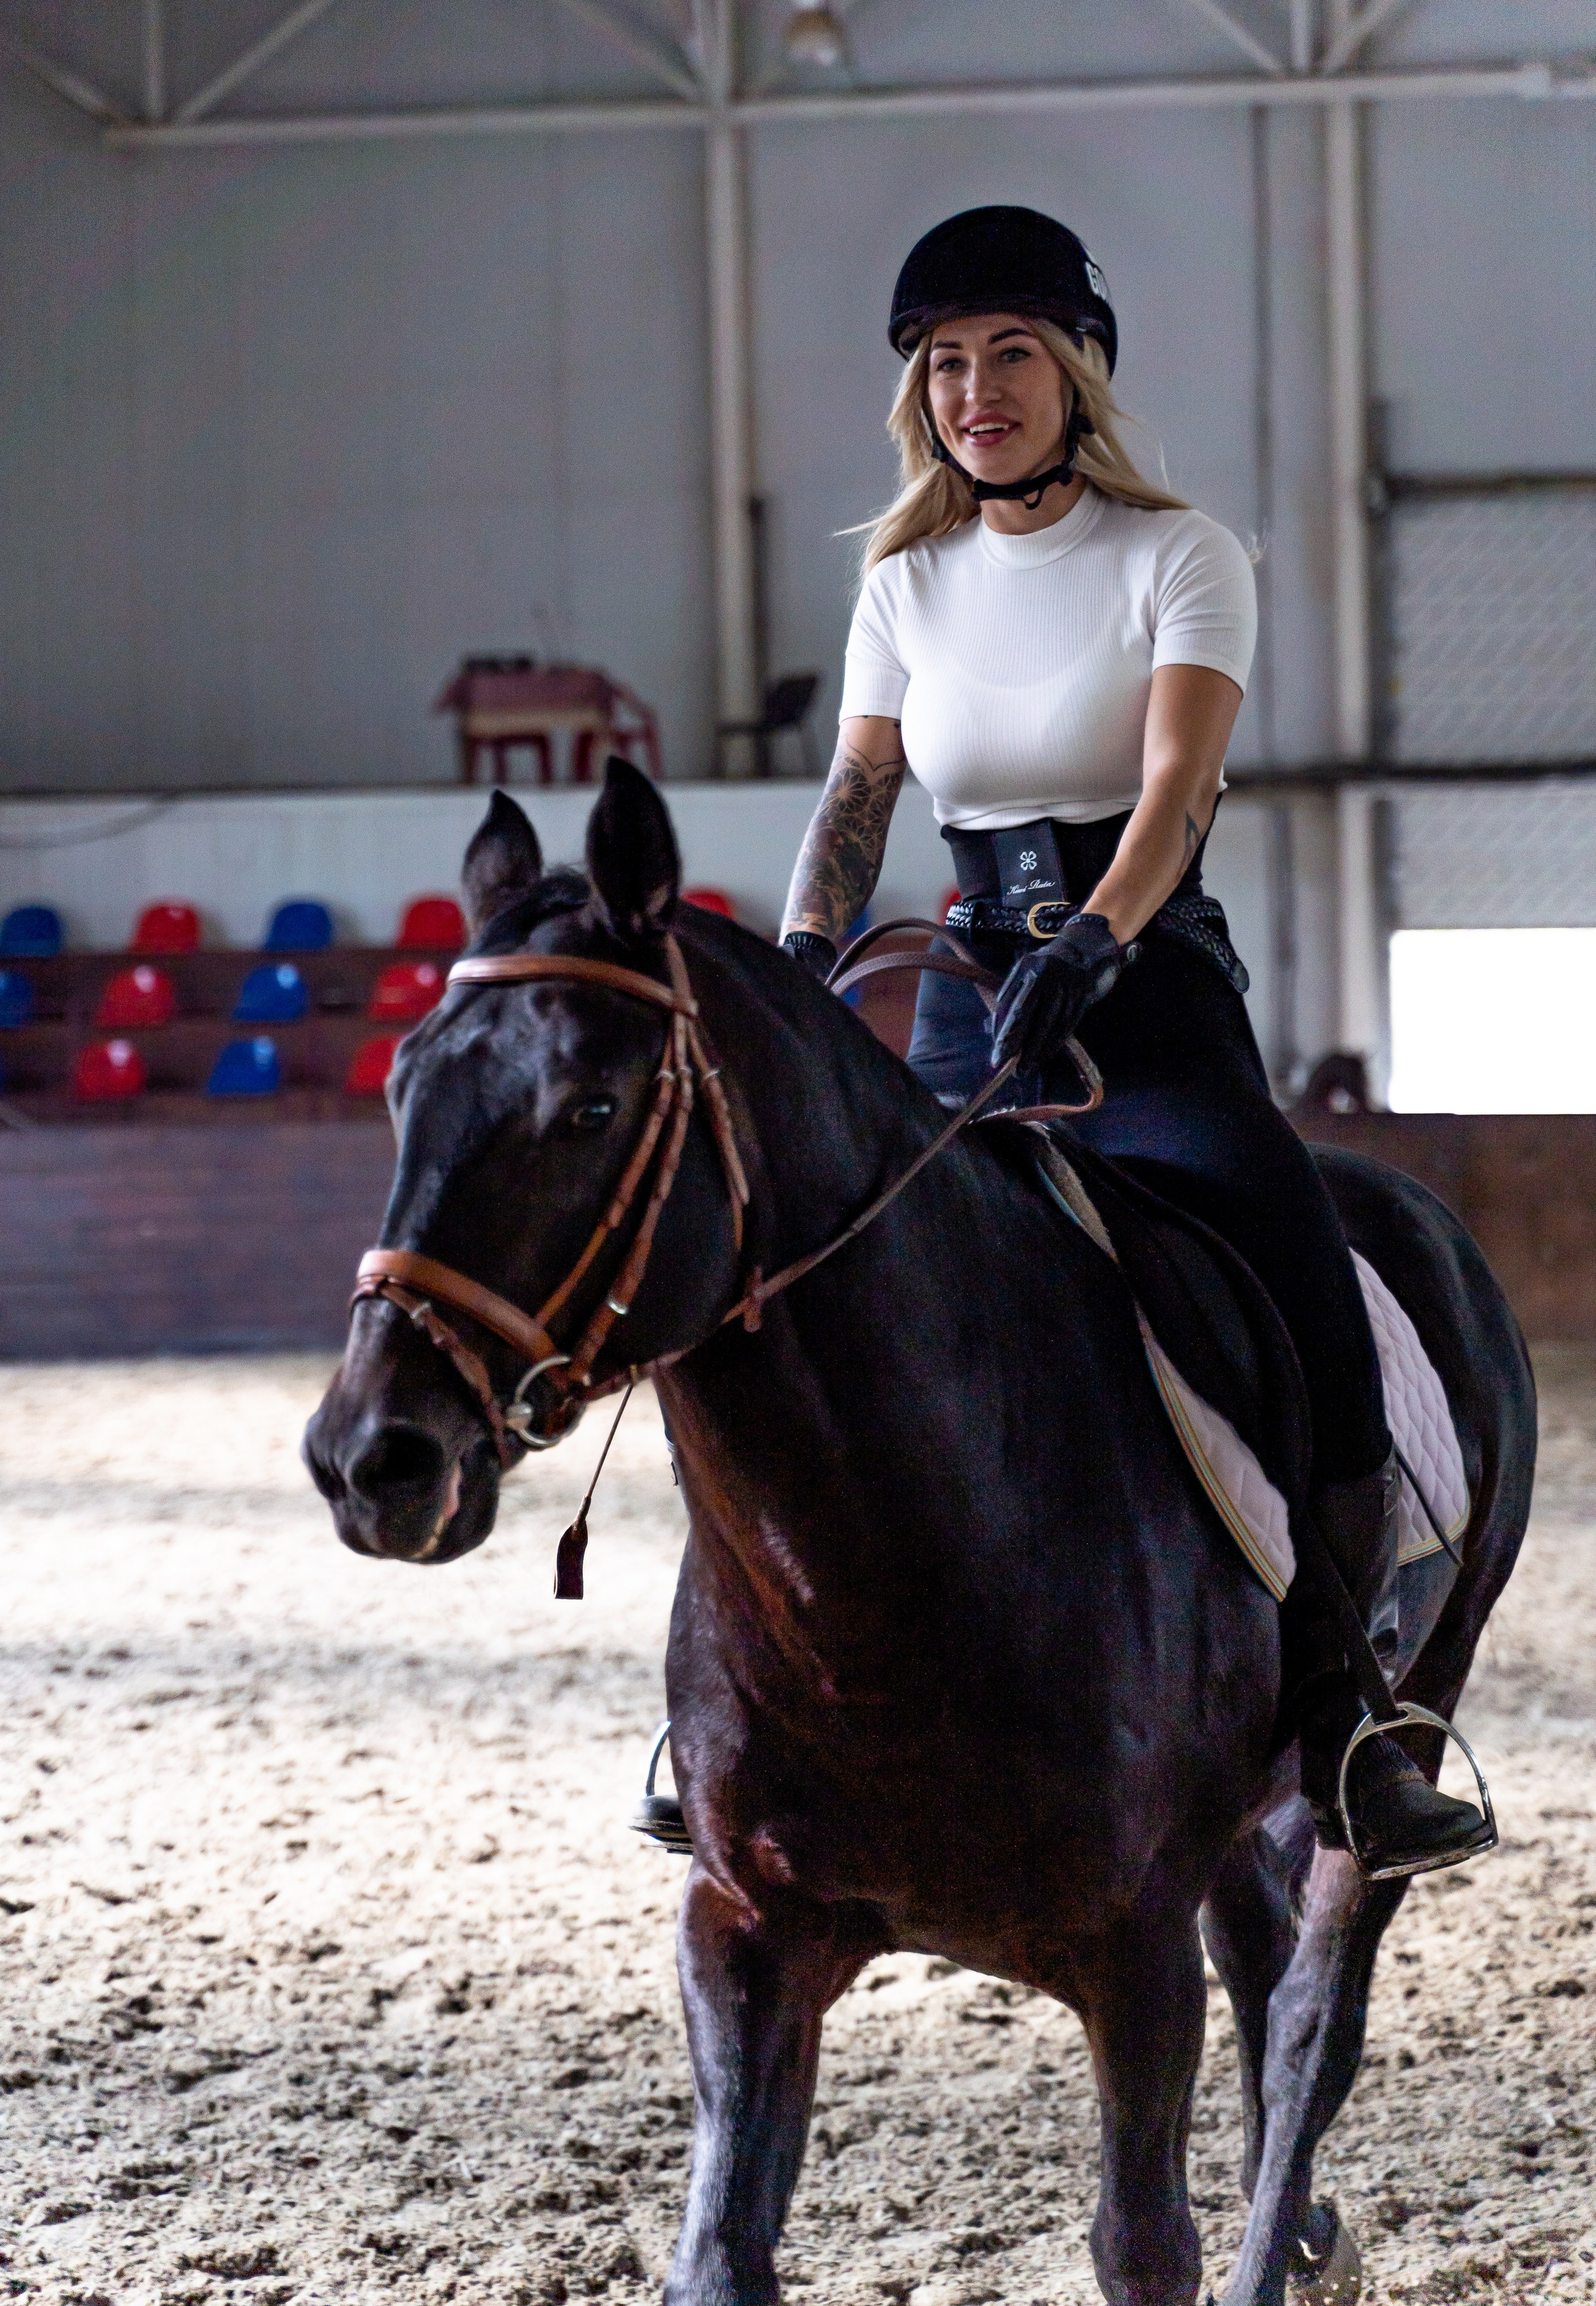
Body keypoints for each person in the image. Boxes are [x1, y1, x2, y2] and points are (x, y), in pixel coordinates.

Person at [779, 203, 1489, 1875]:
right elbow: (859, 795)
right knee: (801, 1295)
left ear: (1077, 370)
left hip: (1145, 993)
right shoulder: (905, 581)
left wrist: (1095, 938)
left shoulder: (1181, 559)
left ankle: (1349, 1705)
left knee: (1300, 1281)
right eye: (945, 365)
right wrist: (805, 962)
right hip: (962, 992)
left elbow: (1175, 796)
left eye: (1009, 354)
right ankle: (740, 1695)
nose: (975, 391)